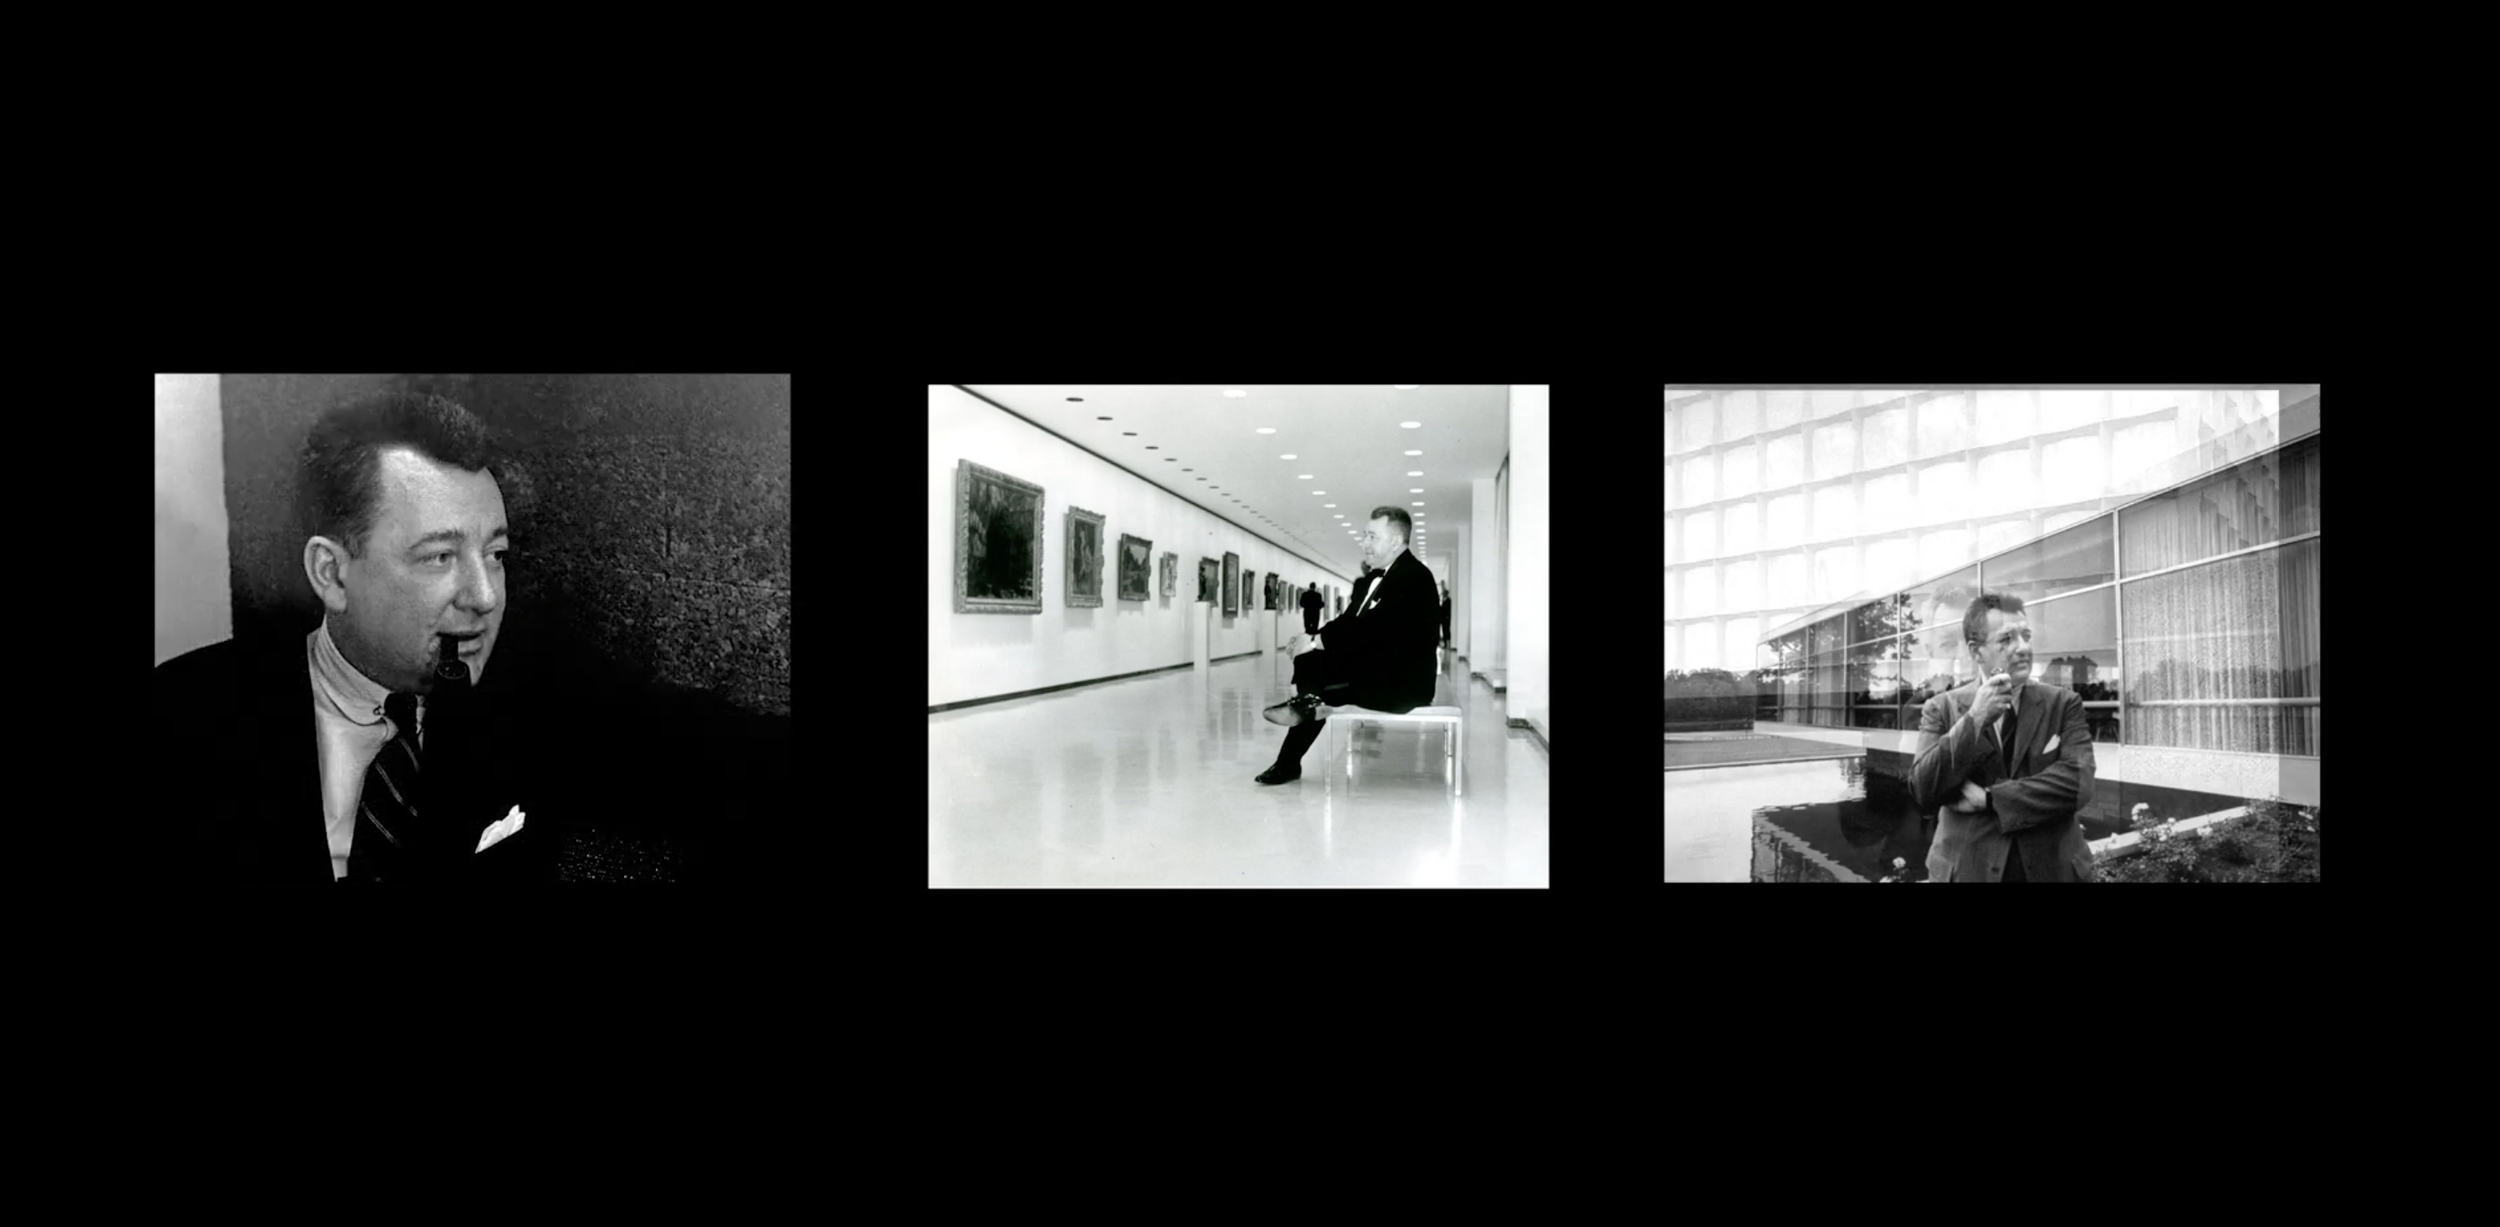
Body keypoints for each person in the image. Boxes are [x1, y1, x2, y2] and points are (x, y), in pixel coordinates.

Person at [150, 391, 557, 886]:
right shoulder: (177, 721)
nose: (485, 596)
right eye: (439, 557)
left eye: (495, 554)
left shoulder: (543, 723)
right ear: (333, 575)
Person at [1910, 592, 2098, 882]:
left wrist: (1990, 799)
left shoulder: (2063, 703)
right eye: (2007, 639)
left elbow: (2079, 782)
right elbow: (1923, 789)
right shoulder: (1941, 708)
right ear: (1976, 652)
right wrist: (1974, 720)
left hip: (2052, 870)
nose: (2023, 647)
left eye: (2026, 635)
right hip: (1968, 871)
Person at [1255, 507, 1441, 785]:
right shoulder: (1374, 579)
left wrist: (1316, 641)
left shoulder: (1413, 576)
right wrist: (1311, 639)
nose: (1364, 543)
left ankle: (1291, 753)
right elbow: (1347, 621)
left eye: (1371, 536)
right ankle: (1306, 708)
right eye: (1364, 535)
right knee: (1308, 661)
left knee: (1321, 689)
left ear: (1394, 541)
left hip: (1400, 682)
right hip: (1376, 668)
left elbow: (1371, 629)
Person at [1438, 581, 1451, 648]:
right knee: (1444, 630)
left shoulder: (1448, 601)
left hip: (1446, 618)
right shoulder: (1444, 601)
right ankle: (1446, 644)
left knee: (1446, 631)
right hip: (1443, 618)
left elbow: (1446, 610)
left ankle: (1447, 644)